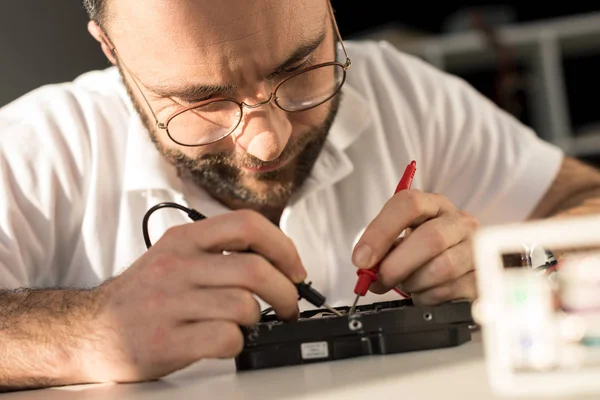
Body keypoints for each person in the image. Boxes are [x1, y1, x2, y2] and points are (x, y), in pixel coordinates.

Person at [1, 0, 600, 391]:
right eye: (203, 101)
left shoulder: (403, 93)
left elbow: (588, 205)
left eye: (299, 69)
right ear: (110, 50)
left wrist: (516, 264)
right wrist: (87, 328)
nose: (267, 141)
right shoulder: (35, 148)